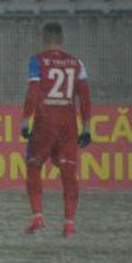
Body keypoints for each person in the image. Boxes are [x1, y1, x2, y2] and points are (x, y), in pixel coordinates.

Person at [21, 23, 92, 238]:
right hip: (68, 124)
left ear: (44, 38)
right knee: (69, 173)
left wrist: (26, 119)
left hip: (45, 121)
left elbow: (33, 91)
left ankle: (38, 218)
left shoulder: (37, 60)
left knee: (34, 166)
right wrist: (86, 126)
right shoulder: (77, 63)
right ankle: (69, 223)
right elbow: (85, 97)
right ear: (62, 39)